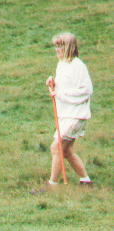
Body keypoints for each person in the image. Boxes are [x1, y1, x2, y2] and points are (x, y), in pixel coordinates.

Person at [45, 32, 93, 186]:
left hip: (76, 115)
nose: (57, 50)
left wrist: (60, 93)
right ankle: (85, 180)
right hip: (65, 114)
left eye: (60, 46)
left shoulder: (78, 66)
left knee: (56, 147)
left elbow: (86, 91)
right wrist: (53, 84)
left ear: (69, 48)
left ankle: (52, 184)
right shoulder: (62, 64)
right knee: (65, 150)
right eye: (56, 46)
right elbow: (62, 88)